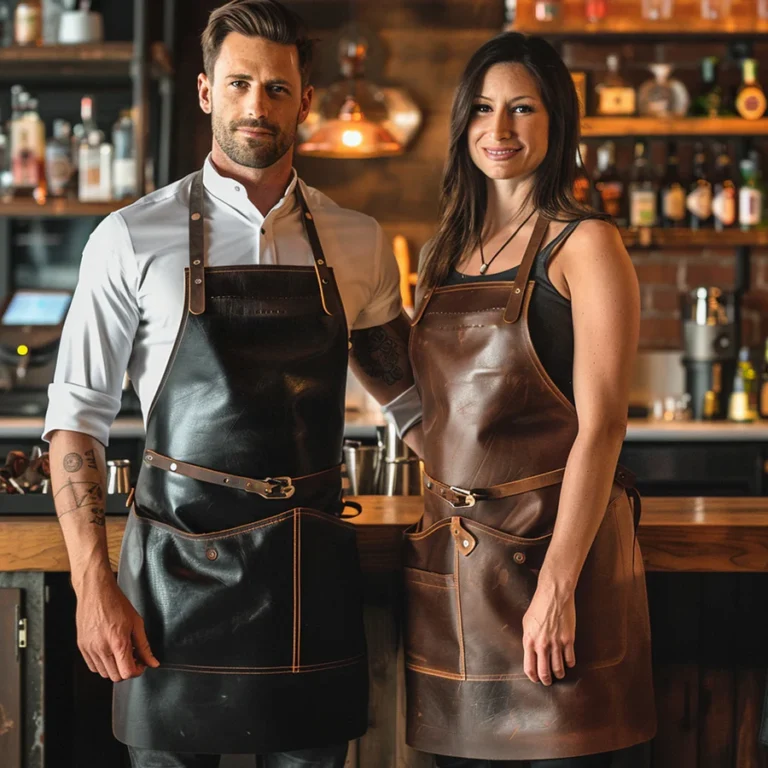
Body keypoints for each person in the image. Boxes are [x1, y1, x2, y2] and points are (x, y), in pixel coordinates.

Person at [43, 1, 419, 766]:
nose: (258, 105)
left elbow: (415, 403)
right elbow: (75, 421)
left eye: (277, 88)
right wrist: (92, 585)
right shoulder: (128, 236)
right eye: (240, 84)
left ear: (306, 101)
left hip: (308, 575)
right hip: (172, 580)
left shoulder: (358, 240)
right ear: (207, 90)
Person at [402, 32, 657, 766]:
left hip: (551, 567)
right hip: (455, 580)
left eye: (523, 109)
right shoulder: (441, 254)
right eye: (482, 109)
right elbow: (441, 417)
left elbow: (604, 427)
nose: (500, 130)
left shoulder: (586, 245)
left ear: (557, 123)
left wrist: (556, 585)